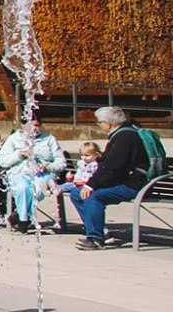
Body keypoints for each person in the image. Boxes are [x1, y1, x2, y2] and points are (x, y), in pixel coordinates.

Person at [62, 107, 150, 250]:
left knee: (93, 196)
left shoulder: (125, 137)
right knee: (76, 194)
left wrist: (91, 185)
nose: (99, 125)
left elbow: (112, 167)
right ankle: (98, 231)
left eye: (99, 122)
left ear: (107, 123)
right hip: (124, 180)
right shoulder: (122, 134)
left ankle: (96, 238)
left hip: (133, 184)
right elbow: (109, 166)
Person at [0, 117, 64, 232]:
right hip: (19, 172)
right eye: (31, 125)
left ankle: (21, 218)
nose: (34, 129)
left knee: (38, 190)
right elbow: (1, 161)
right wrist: (19, 154)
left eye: (37, 125)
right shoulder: (13, 139)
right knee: (22, 188)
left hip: (43, 174)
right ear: (23, 126)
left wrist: (47, 167)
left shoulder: (49, 139)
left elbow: (61, 162)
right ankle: (23, 219)